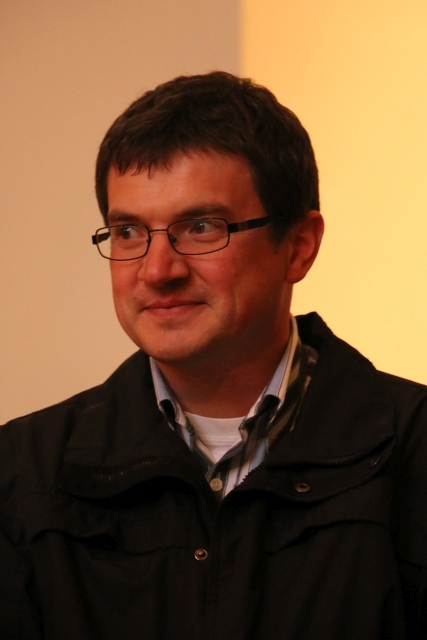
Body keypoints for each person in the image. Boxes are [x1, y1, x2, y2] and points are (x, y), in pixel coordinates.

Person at [1, 71, 426, 640]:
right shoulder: (20, 474)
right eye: (128, 233)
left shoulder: (415, 451)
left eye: (200, 227)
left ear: (299, 247)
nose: (157, 270)